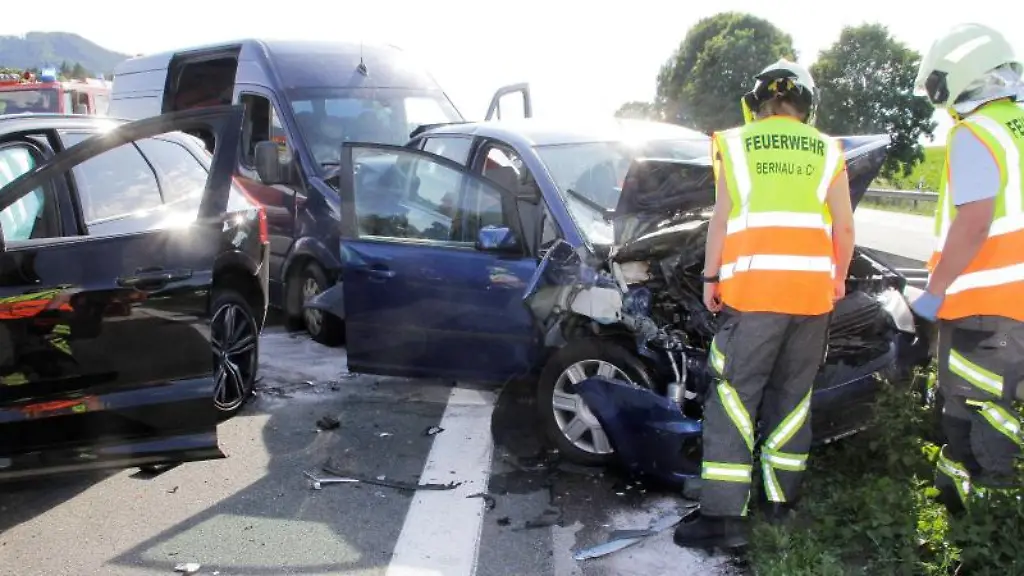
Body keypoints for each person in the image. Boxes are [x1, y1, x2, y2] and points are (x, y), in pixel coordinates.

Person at [673, 58, 855, 549]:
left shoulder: (736, 143)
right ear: (806, 105)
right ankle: (779, 503)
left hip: (753, 297)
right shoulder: (828, 149)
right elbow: (844, 227)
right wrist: (836, 280)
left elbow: (722, 220)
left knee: (734, 399)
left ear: (757, 103)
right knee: (793, 400)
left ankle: (724, 518)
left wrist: (712, 277)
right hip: (812, 300)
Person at [909, 23, 1024, 515]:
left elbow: (974, 222)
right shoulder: (1015, 127)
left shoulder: (974, 133)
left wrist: (934, 291)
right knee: (998, 411)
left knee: (977, 422)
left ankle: (981, 532)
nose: (940, 102)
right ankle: (958, 513)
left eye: (939, 88)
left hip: (985, 311)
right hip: (1014, 312)